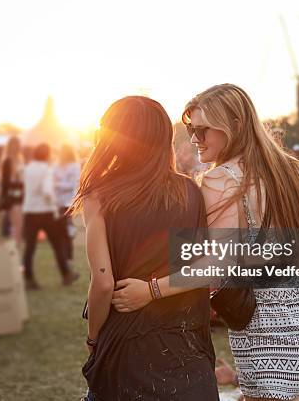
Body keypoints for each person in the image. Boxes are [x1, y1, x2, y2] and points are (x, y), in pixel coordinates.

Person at [112, 84, 299, 401]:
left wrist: (150, 290)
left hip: (265, 330)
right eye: (192, 129)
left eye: (203, 130)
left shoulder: (220, 178)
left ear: (233, 126)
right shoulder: (295, 171)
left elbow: (216, 263)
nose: (195, 139)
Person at [71, 96, 219, 401]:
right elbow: (199, 269)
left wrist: (94, 339)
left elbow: (102, 283)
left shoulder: (99, 195)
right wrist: (155, 289)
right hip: (185, 347)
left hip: (127, 344)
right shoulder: (189, 191)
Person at [22, 143, 78, 290]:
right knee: (57, 243)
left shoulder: (28, 168)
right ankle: (66, 274)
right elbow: (47, 191)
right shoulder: (46, 170)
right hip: (45, 211)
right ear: (46, 155)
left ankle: (28, 278)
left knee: (30, 247)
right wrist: (53, 203)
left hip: (29, 210)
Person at [54, 143, 80, 261]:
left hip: (69, 203)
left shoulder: (74, 166)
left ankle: (68, 256)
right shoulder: (56, 166)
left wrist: (57, 184)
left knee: (66, 230)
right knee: (60, 231)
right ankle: (64, 256)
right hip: (57, 202)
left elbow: (71, 185)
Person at [0, 136, 24, 244]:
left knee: (18, 226)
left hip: (20, 197)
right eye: (13, 145)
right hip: (12, 198)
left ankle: (15, 250)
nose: (15, 148)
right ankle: (14, 251)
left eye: (17, 145)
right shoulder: (7, 161)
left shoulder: (20, 160)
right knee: (16, 225)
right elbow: (5, 183)